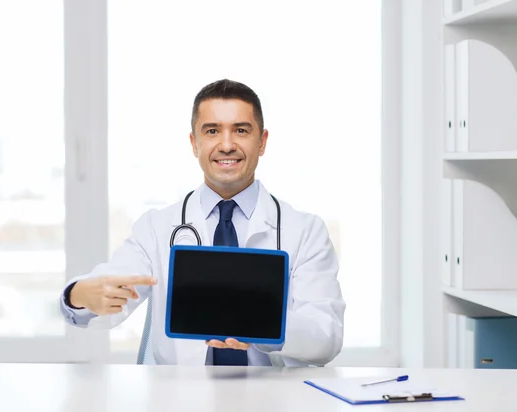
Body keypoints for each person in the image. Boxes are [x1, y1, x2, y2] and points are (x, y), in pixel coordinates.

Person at [59, 79, 345, 366]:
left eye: (241, 130)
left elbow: (326, 337)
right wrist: (79, 294)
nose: (227, 145)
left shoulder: (306, 231)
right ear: (194, 143)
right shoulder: (156, 228)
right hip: (182, 400)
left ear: (262, 142)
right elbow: (109, 288)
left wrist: (264, 326)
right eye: (212, 131)